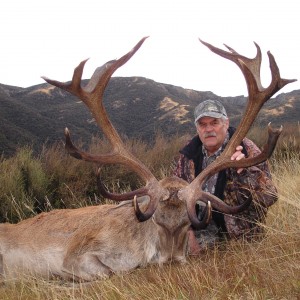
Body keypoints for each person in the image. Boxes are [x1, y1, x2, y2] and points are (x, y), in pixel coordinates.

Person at [173, 99, 278, 255]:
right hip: (197, 229)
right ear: (197, 128)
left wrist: (245, 171)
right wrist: (187, 232)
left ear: (226, 123)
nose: (208, 129)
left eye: (214, 122)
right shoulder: (188, 154)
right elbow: (175, 197)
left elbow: (269, 197)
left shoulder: (248, 150)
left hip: (238, 234)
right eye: (202, 124)